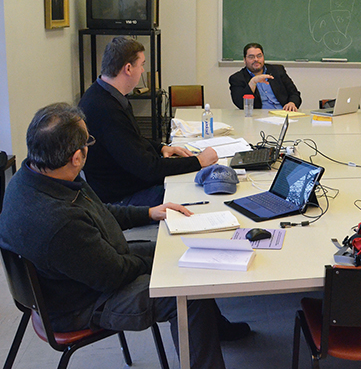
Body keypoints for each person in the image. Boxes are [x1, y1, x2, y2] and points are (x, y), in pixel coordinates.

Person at [0, 103, 229, 369]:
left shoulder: (36, 175)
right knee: (187, 292)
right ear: (77, 157)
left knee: (179, 250)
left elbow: (97, 211)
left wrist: (148, 213)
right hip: (84, 303)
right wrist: (161, 267)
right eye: (88, 141)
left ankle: (213, 329)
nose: (90, 146)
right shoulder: (58, 221)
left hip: (82, 273)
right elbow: (115, 275)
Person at [79, 37, 218, 207]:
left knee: (192, 181)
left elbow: (130, 140)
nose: (143, 70)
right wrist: (199, 161)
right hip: (121, 198)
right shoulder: (105, 109)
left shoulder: (106, 94)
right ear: (128, 68)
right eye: (141, 64)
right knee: (198, 194)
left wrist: (161, 147)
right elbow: (148, 169)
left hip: (127, 183)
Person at [229, 42, 301, 111]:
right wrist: (253, 82)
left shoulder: (277, 70)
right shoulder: (237, 78)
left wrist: (292, 103)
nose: (256, 59)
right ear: (244, 60)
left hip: (282, 113)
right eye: (251, 57)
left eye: (259, 56)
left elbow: (294, 93)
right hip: (259, 117)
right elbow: (241, 104)